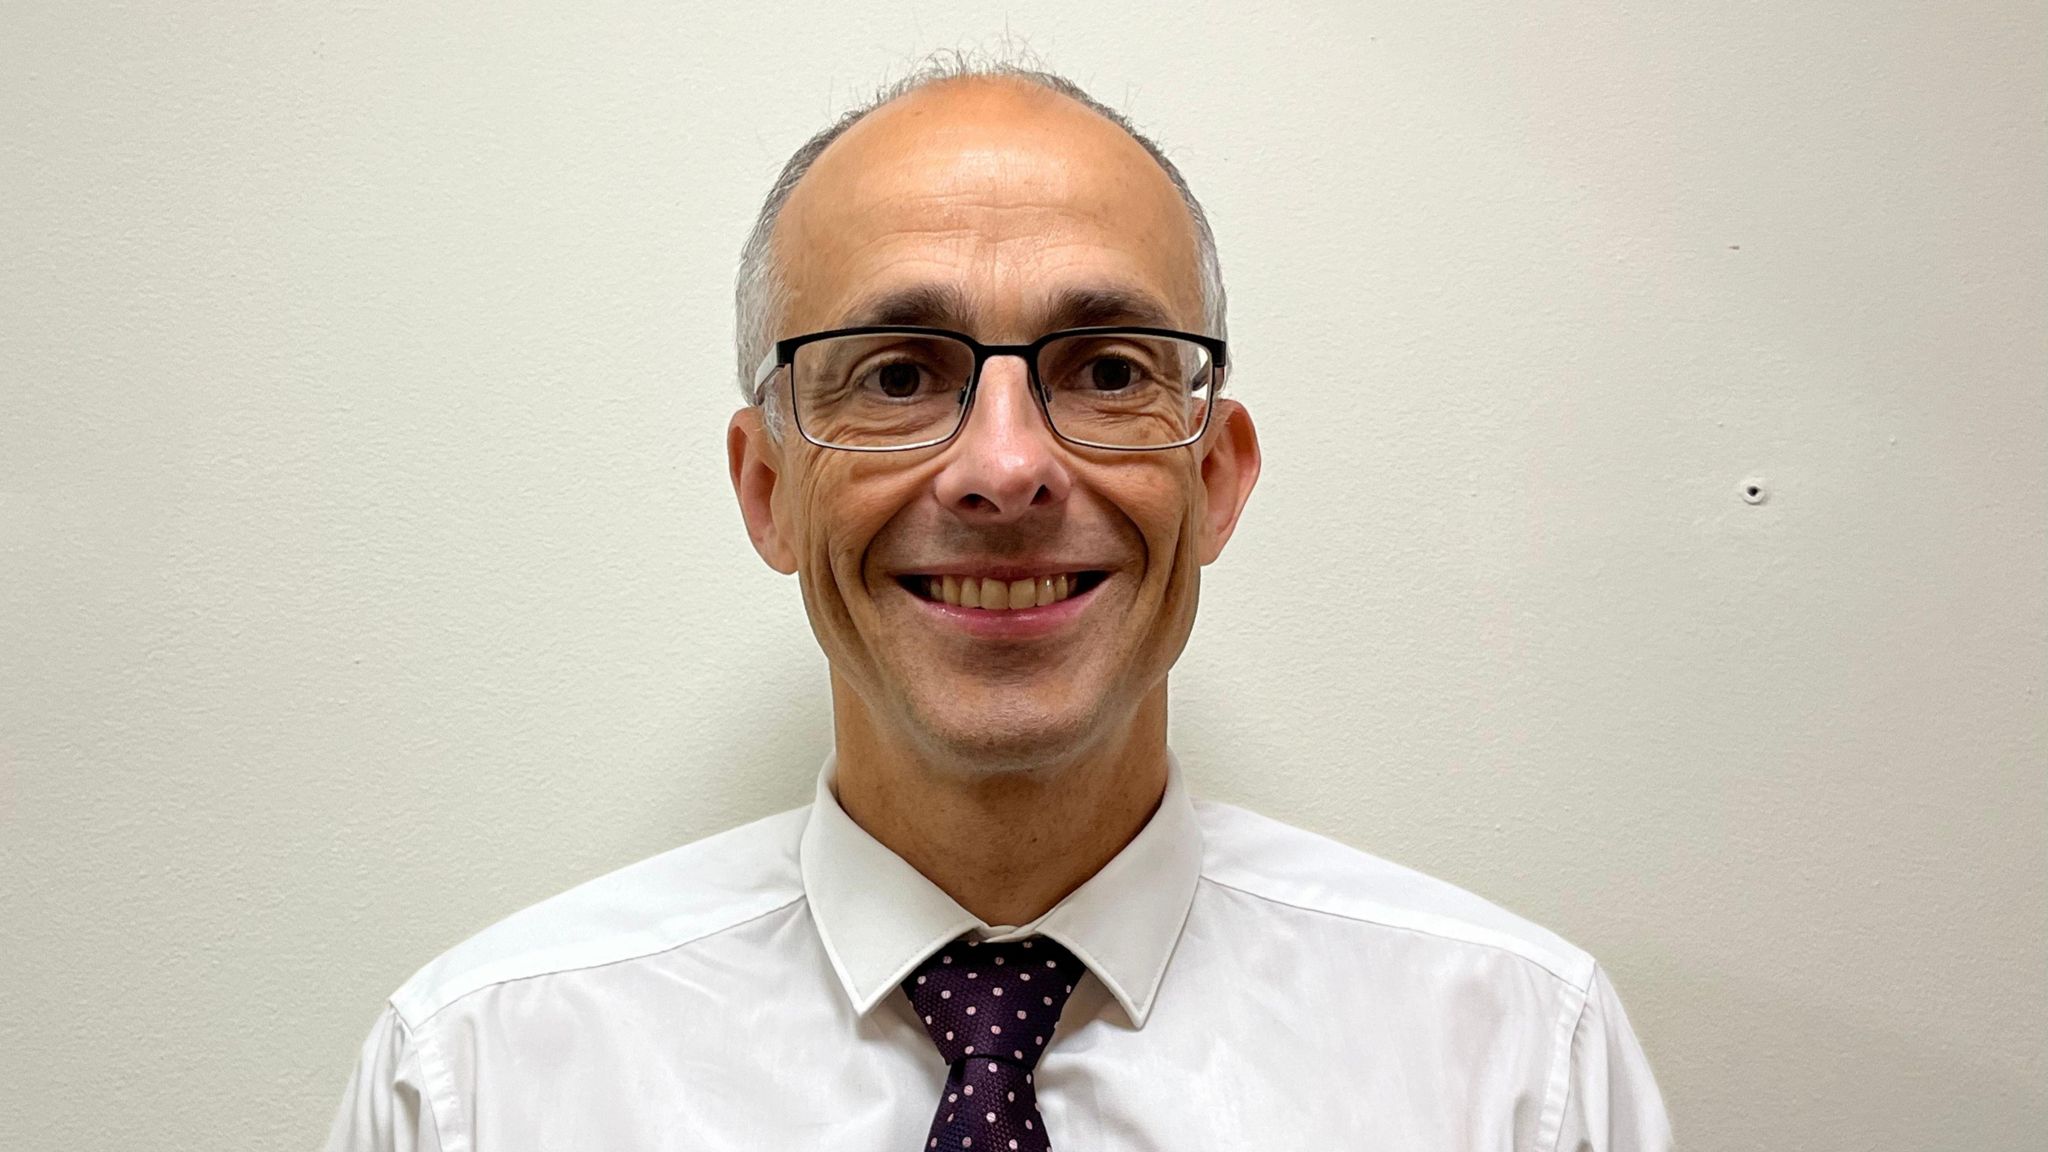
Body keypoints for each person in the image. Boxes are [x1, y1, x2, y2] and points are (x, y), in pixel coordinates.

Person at [327, 59, 1671, 1151]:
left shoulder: (1517, 1070)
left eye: (1104, 370)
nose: (1008, 467)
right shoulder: (474, 1086)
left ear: (1215, 476)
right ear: (768, 489)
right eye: (900, 377)